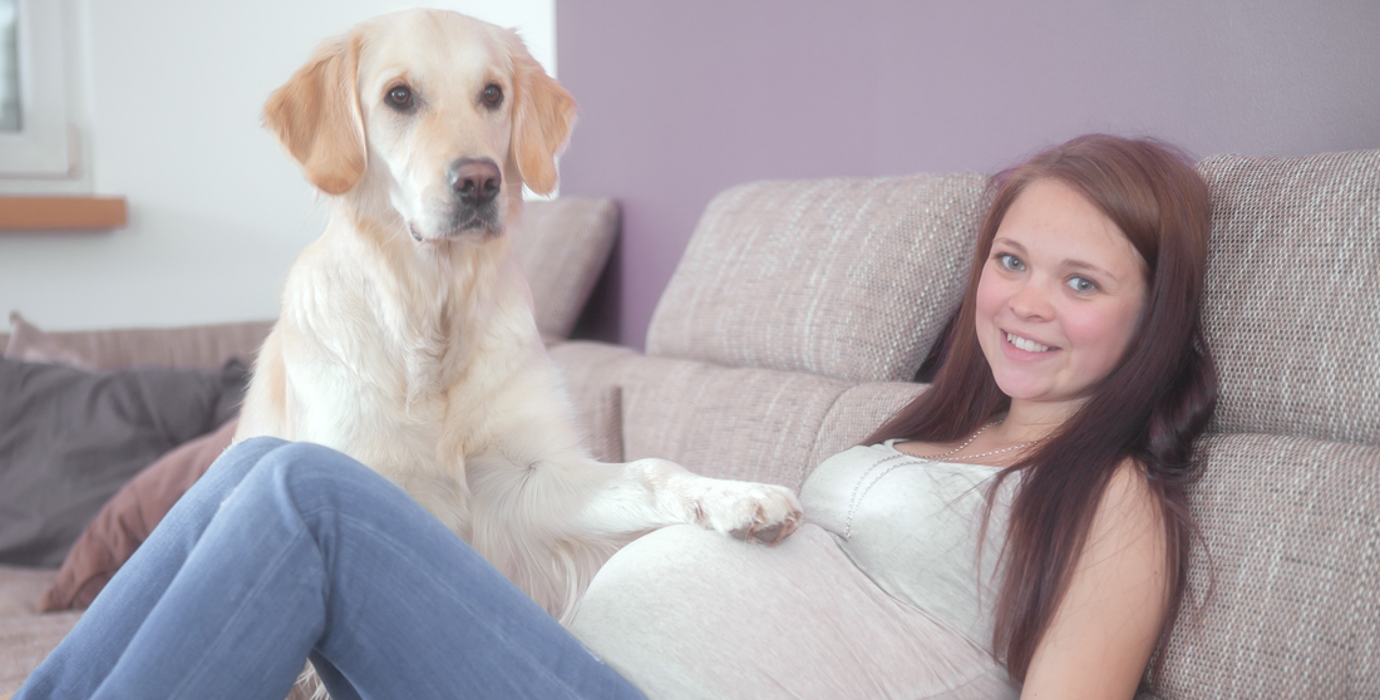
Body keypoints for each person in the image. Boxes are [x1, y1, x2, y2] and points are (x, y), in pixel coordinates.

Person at [14, 133, 1215, 700]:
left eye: (1083, 281)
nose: (1028, 306)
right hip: (577, 667)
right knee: (265, 461)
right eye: (1013, 260)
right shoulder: (935, 428)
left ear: (1152, 316)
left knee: (306, 496)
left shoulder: (1111, 503)